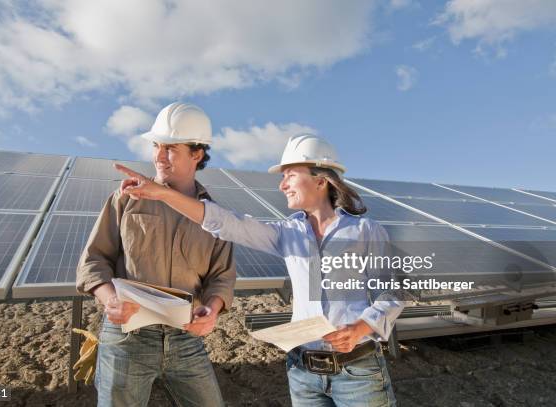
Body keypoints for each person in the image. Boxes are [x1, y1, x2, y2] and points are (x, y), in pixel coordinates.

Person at [116, 133, 404, 406]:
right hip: (303, 373)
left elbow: (392, 292)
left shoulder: (365, 231)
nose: (282, 185)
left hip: (357, 372)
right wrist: (162, 194)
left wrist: (359, 328)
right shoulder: (287, 233)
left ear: (321, 180)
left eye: (290, 175)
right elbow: (228, 224)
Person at [76, 102, 236, 407]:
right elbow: (94, 261)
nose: (159, 156)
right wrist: (110, 299)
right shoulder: (126, 200)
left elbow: (221, 276)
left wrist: (213, 310)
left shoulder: (215, 217)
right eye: (156, 146)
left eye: (171, 148)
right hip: (127, 338)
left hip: (186, 339)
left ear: (197, 154)